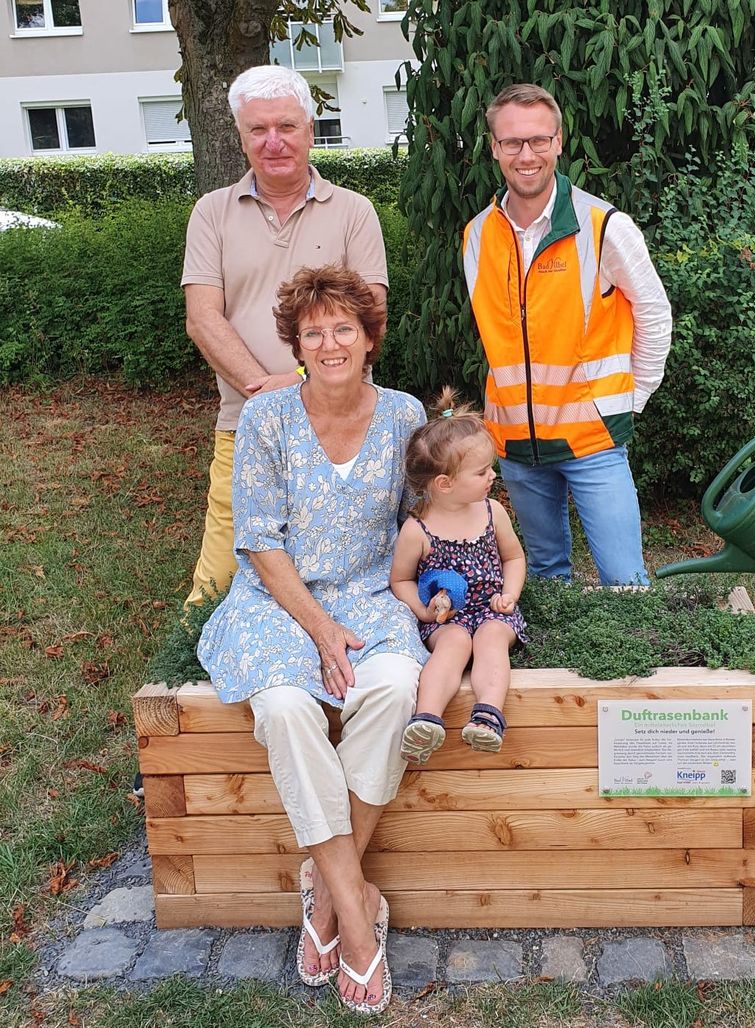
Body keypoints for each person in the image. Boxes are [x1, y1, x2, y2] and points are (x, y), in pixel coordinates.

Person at [197, 265, 425, 1014]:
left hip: (370, 596)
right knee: (287, 709)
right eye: (313, 332)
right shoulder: (266, 417)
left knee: (394, 689)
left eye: (343, 329)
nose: (329, 344)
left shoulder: (403, 414)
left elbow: (424, 516)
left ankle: (325, 894)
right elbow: (259, 540)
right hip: (276, 600)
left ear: (369, 340)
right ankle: (357, 917)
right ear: (295, 345)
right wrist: (320, 629)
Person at [181, 64, 389, 609]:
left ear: (310, 129)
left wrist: (299, 380)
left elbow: (370, 315)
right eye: (258, 129)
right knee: (219, 579)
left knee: (344, 574)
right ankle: (199, 655)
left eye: (286, 126)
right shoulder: (211, 213)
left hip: (342, 426)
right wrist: (265, 390)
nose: (273, 142)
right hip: (244, 423)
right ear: (240, 136)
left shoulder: (354, 212)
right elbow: (202, 318)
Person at [462, 83, 672, 586]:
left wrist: (633, 398)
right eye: (512, 142)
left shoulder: (603, 225)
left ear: (558, 142)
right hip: (515, 440)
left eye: (539, 140)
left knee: (625, 581)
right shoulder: (477, 235)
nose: (526, 155)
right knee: (546, 579)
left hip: (593, 437)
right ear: (494, 148)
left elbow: (654, 312)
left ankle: (631, 642)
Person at [389, 389, 527, 763]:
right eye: (481, 472)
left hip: (493, 609)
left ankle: (488, 716)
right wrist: (423, 609)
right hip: (446, 616)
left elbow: (514, 557)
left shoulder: (492, 511)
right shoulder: (417, 530)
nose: (492, 476)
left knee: (491, 639)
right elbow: (400, 580)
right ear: (445, 483)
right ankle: (426, 720)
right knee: (453, 644)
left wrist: (510, 594)